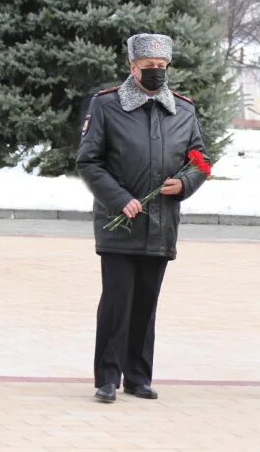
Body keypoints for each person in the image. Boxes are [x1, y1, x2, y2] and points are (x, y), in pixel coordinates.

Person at [77, 33, 210, 403]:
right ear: (133, 67)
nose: (156, 73)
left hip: (161, 223)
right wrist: (119, 199)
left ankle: (138, 376)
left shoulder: (183, 109)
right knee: (118, 300)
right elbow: (88, 161)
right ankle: (107, 376)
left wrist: (183, 184)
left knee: (146, 302)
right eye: (149, 67)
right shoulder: (107, 105)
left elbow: (199, 160)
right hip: (119, 222)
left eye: (161, 67)